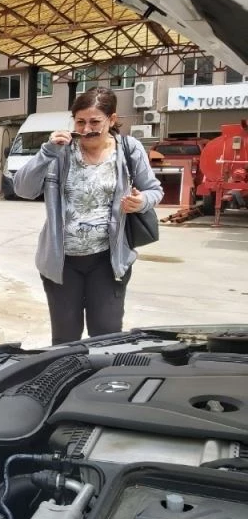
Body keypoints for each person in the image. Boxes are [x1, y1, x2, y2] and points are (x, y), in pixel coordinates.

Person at [13, 86, 162, 345]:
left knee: (106, 336)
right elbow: (23, 190)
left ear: (112, 120)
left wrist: (141, 202)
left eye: (95, 121)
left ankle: (101, 385)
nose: (86, 129)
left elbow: (153, 190)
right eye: (80, 121)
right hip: (62, 263)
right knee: (65, 338)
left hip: (108, 261)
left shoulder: (128, 149)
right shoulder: (60, 152)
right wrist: (46, 151)